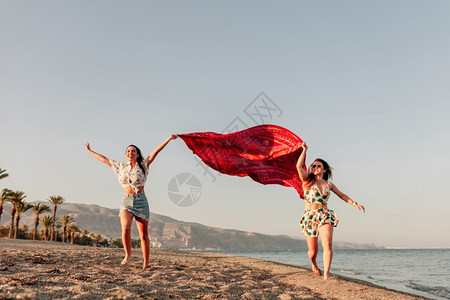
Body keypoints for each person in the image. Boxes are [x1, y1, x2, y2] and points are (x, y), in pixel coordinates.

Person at [85, 135, 177, 269]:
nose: (130, 153)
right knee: (125, 229)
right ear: (126, 155)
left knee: (144, 235)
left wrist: (168, 139)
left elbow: (156, 151)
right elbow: (104, 159)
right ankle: (128, 255)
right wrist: (89, 151)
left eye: (133, 151)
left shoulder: (143, 165)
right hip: (126, 201)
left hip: (141, 201)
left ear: (137, 154)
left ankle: (145, 264)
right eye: (128, 151)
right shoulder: (120, 166)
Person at [296, 144, 365, 280]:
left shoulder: (329, 185)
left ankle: (326, 275)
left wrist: (355, 204)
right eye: (313, 166)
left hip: (324, 215)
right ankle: (314, 264)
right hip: (310, 216)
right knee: (313, 252)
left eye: (318, 166)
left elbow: (342, 195)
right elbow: (298, 167)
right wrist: (304, 150)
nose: (315, 168)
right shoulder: (307, 181)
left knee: (327, 244)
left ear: (324, 169)